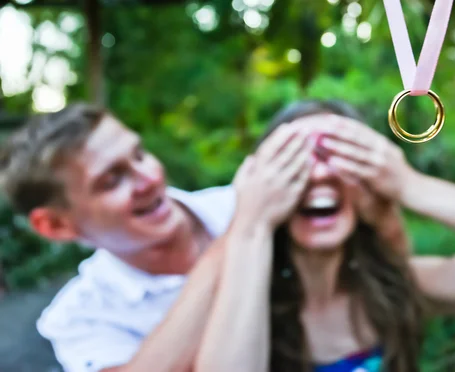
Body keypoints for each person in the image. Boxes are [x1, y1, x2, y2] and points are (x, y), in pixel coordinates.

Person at [197, 99, 455, 372]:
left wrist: (409, 185)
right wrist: (250, 225)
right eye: (293, 162)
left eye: (341, 156)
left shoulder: (394, 287)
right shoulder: (237, 304)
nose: (319, 175)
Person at [0, 102, 317, 372]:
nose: (149, 179)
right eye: (112, 180)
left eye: (139, 155)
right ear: (55, 225)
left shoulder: (251, 202)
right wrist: (244, 231)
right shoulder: (79, 318)